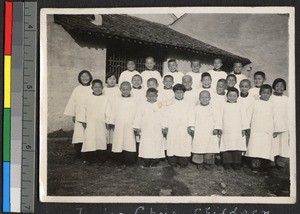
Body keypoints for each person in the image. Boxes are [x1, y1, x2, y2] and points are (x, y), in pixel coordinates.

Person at [77, 79, 111, 165]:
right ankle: (88, 158)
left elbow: (108, 111)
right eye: (95, 87)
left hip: (101, 123)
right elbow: (82, 110)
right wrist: (83, 121)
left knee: (101, 139)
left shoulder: (105, 98)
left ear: (102, 88)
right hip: (90, 123)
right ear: (92, 88)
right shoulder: (87, 98)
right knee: (89, 139)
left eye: (99, 87)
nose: (97, 89)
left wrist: (107, 121)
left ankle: (101, 158)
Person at [162, 84, 194, 168]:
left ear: (184, 93)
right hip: (172, 127)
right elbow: (165, 115)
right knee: (172, 143)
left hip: (184, 127)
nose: (179, 94)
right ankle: (173, 161)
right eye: (177, 92)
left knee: (184, 143)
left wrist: (190, 126)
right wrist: (165, 126)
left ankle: (183, 162)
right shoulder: (169, 102)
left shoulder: (188, 103)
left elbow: (191, 114)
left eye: (181, 92)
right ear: (174, 92)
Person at [246, 84, 277, 171]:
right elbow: (248, 115)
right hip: (256, 129)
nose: (265, 94)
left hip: (267, 130)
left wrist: (276, 129)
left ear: (270, 94)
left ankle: (265, 165)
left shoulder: (272, 105)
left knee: (265, 148)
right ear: (260, 93)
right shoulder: (255, 103)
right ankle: (255, 165)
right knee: (255, 147)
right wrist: (247, 126)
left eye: (268, 93)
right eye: (263, 92)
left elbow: (276, 118)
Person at [64, 70, 93, 159]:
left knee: (89, 133)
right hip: (79, 114)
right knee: (79, 134)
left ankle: (89, 152)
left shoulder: (93, 88)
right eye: (82, 77)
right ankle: (79, 152)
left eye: (87, 76)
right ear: (79, 78)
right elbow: (73, 102)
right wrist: (73, 114)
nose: (85, 78)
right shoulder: (77, 89)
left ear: (90, 77)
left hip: (90, 114)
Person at [133, 88, 165, 167]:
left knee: (157, 144)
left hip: (157, 129)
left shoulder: (160, 105)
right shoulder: (142, 105)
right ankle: (146, 160)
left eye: (153, 96)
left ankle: (155, 160)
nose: (151, 97)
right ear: (146, 96)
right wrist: (137, 127)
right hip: (146, 129)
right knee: (146, 144)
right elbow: (138, 117)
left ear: (157, 96)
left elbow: (164, 117)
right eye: (149, 96)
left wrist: (164, 126)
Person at [220, 87, 249, 170]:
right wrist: (220, 128)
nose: (232, 98)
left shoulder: (240, 106)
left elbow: (244, 118)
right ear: (227, 96)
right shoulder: (223, 105)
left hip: (237, 130)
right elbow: (220, 117)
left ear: (237, 96)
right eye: (230, 95)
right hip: (226, 130)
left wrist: (244, 128)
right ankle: (227, 163)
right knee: (227, 146)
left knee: (237, 146)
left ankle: (236, 163)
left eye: (234, 96)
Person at [109, 81, 138, 166]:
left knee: (129, 142)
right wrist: (112, 122)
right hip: (119, 125)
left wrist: (136, 125)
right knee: (119, 142)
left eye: (127, 89)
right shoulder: (117, 100)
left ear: (130, 89)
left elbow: (137, 113)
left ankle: (129, 160)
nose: (125, 91)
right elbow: (113, 111)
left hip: (130, 125)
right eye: (123, 89)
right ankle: (118, 160)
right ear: (120, 89)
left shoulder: (133, 101)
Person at [192, 90, 222, 170]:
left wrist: (216, 128)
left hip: (210, 131)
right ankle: (199, 162)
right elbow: (192, 119)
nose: (204, 99)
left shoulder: (214, 108)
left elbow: (218, 119)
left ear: (210, 98)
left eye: (206, 97)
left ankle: (207, 162)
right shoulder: (196, 108)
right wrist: (192, 127)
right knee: (199, 147)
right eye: (202, 97)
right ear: (199, 98)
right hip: (199, 131)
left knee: (209, 147)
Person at [270, 78, 289, 169]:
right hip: (273, 124)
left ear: (285, 88)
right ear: (273, 86)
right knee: (273, 143)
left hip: (284, 124)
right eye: (277, 86)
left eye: (282, 86)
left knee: (283, 144)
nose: (279, 88)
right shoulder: (270, 97)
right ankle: (271, 161)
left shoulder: (287, 99)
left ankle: (280, 162)